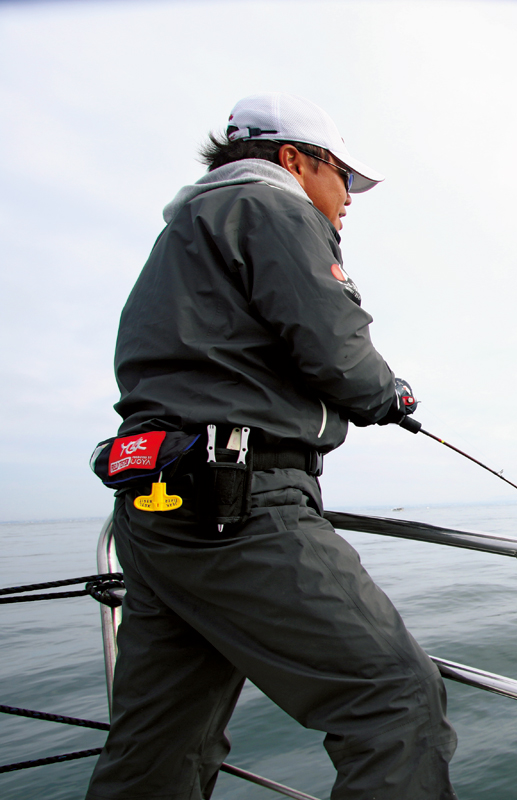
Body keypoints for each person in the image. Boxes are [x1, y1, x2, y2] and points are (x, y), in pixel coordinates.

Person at [87, 93, 457, 800]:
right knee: (395, 701)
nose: (348, 198)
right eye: (343, 176)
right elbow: (338, 354)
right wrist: (390, 394)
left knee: (160, 743)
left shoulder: (183, 233)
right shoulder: (272, 207)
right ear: (294, 160)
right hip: (240, 506)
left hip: (157, 512)